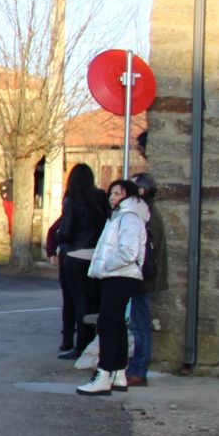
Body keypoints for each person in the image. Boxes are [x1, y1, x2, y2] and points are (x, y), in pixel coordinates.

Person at [78, 177, 150, 396]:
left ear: (129, 195)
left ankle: (105, 372)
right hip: (116, 275)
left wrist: (107, 266)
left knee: (108, 322)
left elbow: (128, 251)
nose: (112, 198)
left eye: (118, 193)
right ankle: (118, 372)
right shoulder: (119, 217)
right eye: (111, 193)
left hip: (120, 275)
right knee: (116, 323)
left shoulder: (129, 218)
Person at [52, 163, 109, 360]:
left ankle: (78, 344)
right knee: (94, 302)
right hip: (96, 255)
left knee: (77, 302)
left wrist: (58, 237)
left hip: (75, 256)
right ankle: (92, 340)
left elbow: (66, 231)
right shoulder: (101, 197)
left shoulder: (71, 200)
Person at [127, 172, 164, 387]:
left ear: (141, 191)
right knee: (138, 323)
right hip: (141, 274)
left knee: (140, 324)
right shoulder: (146, 211)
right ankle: (137, 367)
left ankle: (139, 370)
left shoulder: (145, 213)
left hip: (142, 275)